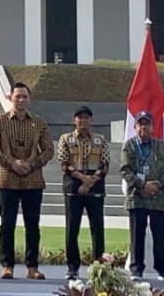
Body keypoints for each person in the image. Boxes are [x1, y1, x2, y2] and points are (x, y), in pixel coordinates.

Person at [0, 81, 53, 280]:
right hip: (7, 179)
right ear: (10, 98)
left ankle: (32, 267)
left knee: (32, 225)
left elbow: (49, 149)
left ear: (29, 99)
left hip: (33, 180)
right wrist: (12, 162)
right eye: (18, 96)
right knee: (7, 225)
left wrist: (32, 164)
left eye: (25, 96)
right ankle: (7, 266)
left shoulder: (39, 122)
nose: (21, 100)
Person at [118, 111, 164, 281]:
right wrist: (143, 185)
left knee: (159, 236)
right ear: (135, 127)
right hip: (137, 197)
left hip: (157, 197)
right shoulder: (129, 145)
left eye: (147, 124)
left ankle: (163, 270)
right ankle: (136, 269)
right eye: (140, 124)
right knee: (137, 235)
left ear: (153, 127)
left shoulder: (162, 146)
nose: (144, 127)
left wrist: (158, 184)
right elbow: (124, 169)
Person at [57, 105, 108, 280]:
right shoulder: (65, 139)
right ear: (74, 120)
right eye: (80, 117)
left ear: (92, 120)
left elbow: (105, 165)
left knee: (98, 229)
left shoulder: (101, 140)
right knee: (72, 230)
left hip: (95, 190)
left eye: (86, 117)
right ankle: (72, 267)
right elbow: (64, 164)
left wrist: (90, 181)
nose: (83, 120)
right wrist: (83, 178)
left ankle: (99, 267)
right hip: (73, 190)